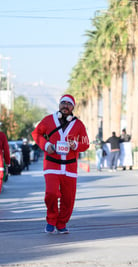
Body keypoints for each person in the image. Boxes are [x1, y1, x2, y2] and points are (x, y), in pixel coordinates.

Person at [32, 94, 89, 234]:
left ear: (72, 107)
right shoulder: (48, 120)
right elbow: (36, 134)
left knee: (68, 199)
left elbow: (86, 143)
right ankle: (51, 219)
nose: (65, 106)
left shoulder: (78, 124)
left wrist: (75, 144)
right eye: (63, 103)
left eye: (69, 104)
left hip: (69, 167)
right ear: (59, 105)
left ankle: (61, 223)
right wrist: (46, 145)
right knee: (51, 193)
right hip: (52, 165)